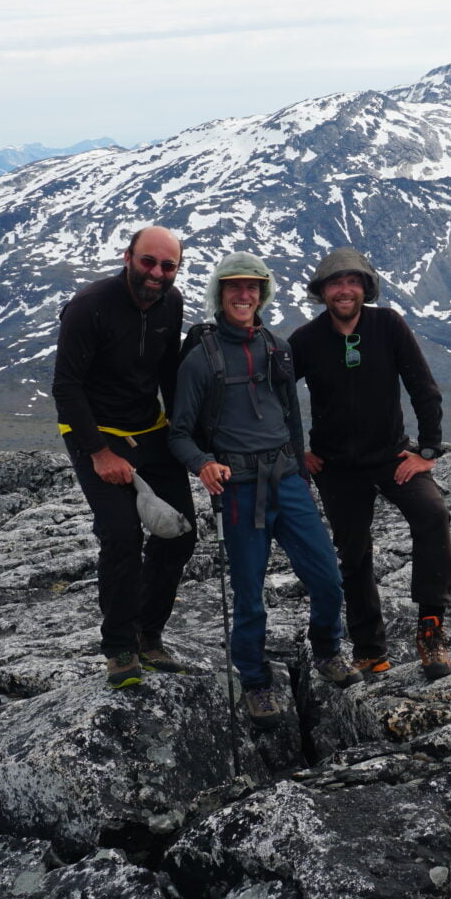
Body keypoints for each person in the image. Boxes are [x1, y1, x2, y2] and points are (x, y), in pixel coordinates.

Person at [169, 252, 363, 727]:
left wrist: (299, 470)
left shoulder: (277, 347)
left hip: (287, 481)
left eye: (252, 287)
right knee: (250, 592)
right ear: (221, 292)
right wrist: (203, 464)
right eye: (234, 287)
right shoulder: (201, 358)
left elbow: (292, 418)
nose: (244, 295)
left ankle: (326, 651)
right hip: (237, 490)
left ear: (263, 294)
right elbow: (178, 432)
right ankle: (256, 682)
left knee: (327, 578)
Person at [288, 246, 451, 679]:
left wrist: (428, 451)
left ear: (366, 287)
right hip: (336, 465)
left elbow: (424, 388)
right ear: (322, 292)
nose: (344, 290)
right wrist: (296, 450)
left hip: (391, 456)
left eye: (353, 281)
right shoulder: (305, 340)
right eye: (335, 283)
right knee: (354, 553)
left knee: (432, 514)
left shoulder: (388, 325)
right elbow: (274, 397)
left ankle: (431, 630)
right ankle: (368, 649)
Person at [51, 225, 200, 688]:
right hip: (95, 432)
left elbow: (167, 373)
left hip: (150, 429)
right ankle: (119, 649)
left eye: (168, 265)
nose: (157, 273)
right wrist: (98, 452)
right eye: (148, 262)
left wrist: (185, 433)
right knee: (120, 535)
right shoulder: (89, 306)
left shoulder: (169, 304)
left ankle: (148, 638)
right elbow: (66, 386)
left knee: (178, 533)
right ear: (127, 257)